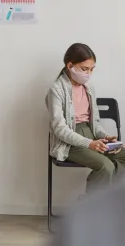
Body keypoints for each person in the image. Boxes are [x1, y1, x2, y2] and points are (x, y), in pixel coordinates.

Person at [46, 43, 125, 195]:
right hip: (69, 142)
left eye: (92, 69)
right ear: (70, 66)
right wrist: (89, 143)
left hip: (91, 135)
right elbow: (59, 129)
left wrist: (104, 137)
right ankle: (91, 209)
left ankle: (105, 197)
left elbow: (94, 122)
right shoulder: (56, 90)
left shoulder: (88, 87)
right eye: (84, 69)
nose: (88, 73)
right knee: (105, 166)